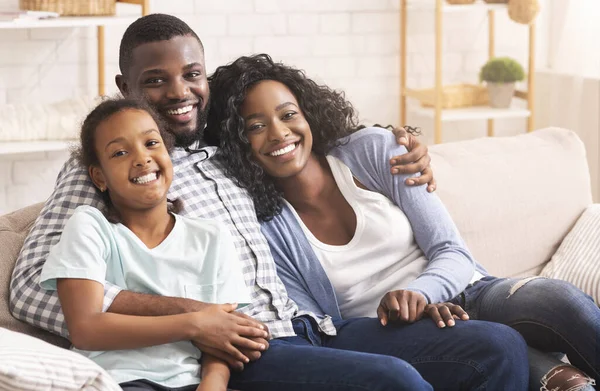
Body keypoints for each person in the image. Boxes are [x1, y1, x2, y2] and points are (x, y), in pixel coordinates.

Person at [11, 14, 527, 391]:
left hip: (318, 324)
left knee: (497, 347)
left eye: (192, 74)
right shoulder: (113, 168)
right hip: (247, 347)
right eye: (155, 82)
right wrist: (194, 318)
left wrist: (403, 141)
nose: (179, 92)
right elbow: (32, 286)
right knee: (395, 382)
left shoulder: (231, 149)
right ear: (125, 89)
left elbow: (307, 140)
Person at [205, 53, 598, 391]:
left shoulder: (373, 151)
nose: (279, 133)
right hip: (397, 328)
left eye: (288, 114)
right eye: (255, 126)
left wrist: (423, 292)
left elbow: (452, 251)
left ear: (307, 113)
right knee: (551, 376)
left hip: (469, 290)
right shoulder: (262, 223)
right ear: (238, 141)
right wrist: (406, 316)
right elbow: (321, 326)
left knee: (559, 301)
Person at [39, 98, 256, 391]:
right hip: (114, 380)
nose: (142, 158)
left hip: (191, 383)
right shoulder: (90, 227)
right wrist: (195, 323)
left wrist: (212, 385)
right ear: (99, 176)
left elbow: (223, 336)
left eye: (151, 143)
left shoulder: (212, 237)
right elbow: (86, 329)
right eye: (120, 152)